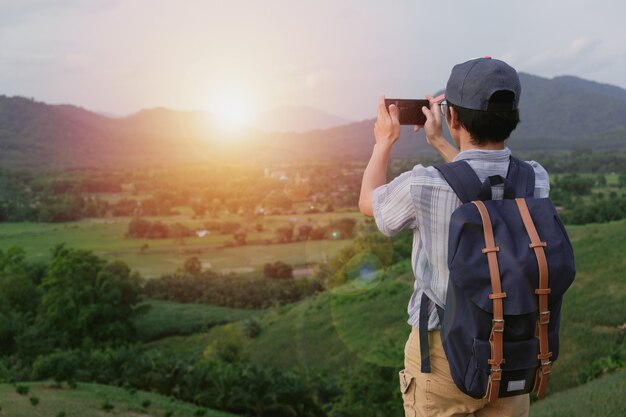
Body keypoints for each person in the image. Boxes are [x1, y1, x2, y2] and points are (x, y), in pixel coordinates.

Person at [358, 57, 550, 417]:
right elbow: (486, 190)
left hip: (441, 356)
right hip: (511, 352)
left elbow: (370, 203)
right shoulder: (536, 180)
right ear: (513, 117)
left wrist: (384, 142)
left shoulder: (424, 184)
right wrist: (443, 144)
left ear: (454, 118)